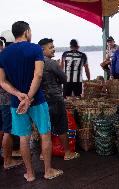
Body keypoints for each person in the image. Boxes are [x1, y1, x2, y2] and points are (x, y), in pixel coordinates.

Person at [0, 21, 63, 182]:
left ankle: (30, 174)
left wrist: (19, 95)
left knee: (23, 137)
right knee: (45, 134)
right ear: (26, 32)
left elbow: (2, 81)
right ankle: (48, 171)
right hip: (37, 100)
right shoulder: (35, 48)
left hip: (16, 102)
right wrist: (28, 97)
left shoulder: (4, 54)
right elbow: (38, 75)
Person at [38, 38, 80, 160]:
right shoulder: (51, 63)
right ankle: (67, 152)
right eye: (50, 47)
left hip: (42, 99)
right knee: (62, 126)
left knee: (45, 128)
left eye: (53, 46)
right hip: (55, 99)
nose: (54, 49)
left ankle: (43, 154)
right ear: (42, 49)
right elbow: (64, 78)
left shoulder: (35, 63)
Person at [0, 30, 23, 170]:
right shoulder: (8, 57)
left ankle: (9, 154)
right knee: (8, 129)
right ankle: (8, 160)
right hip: (7, 99)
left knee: (2, 128)